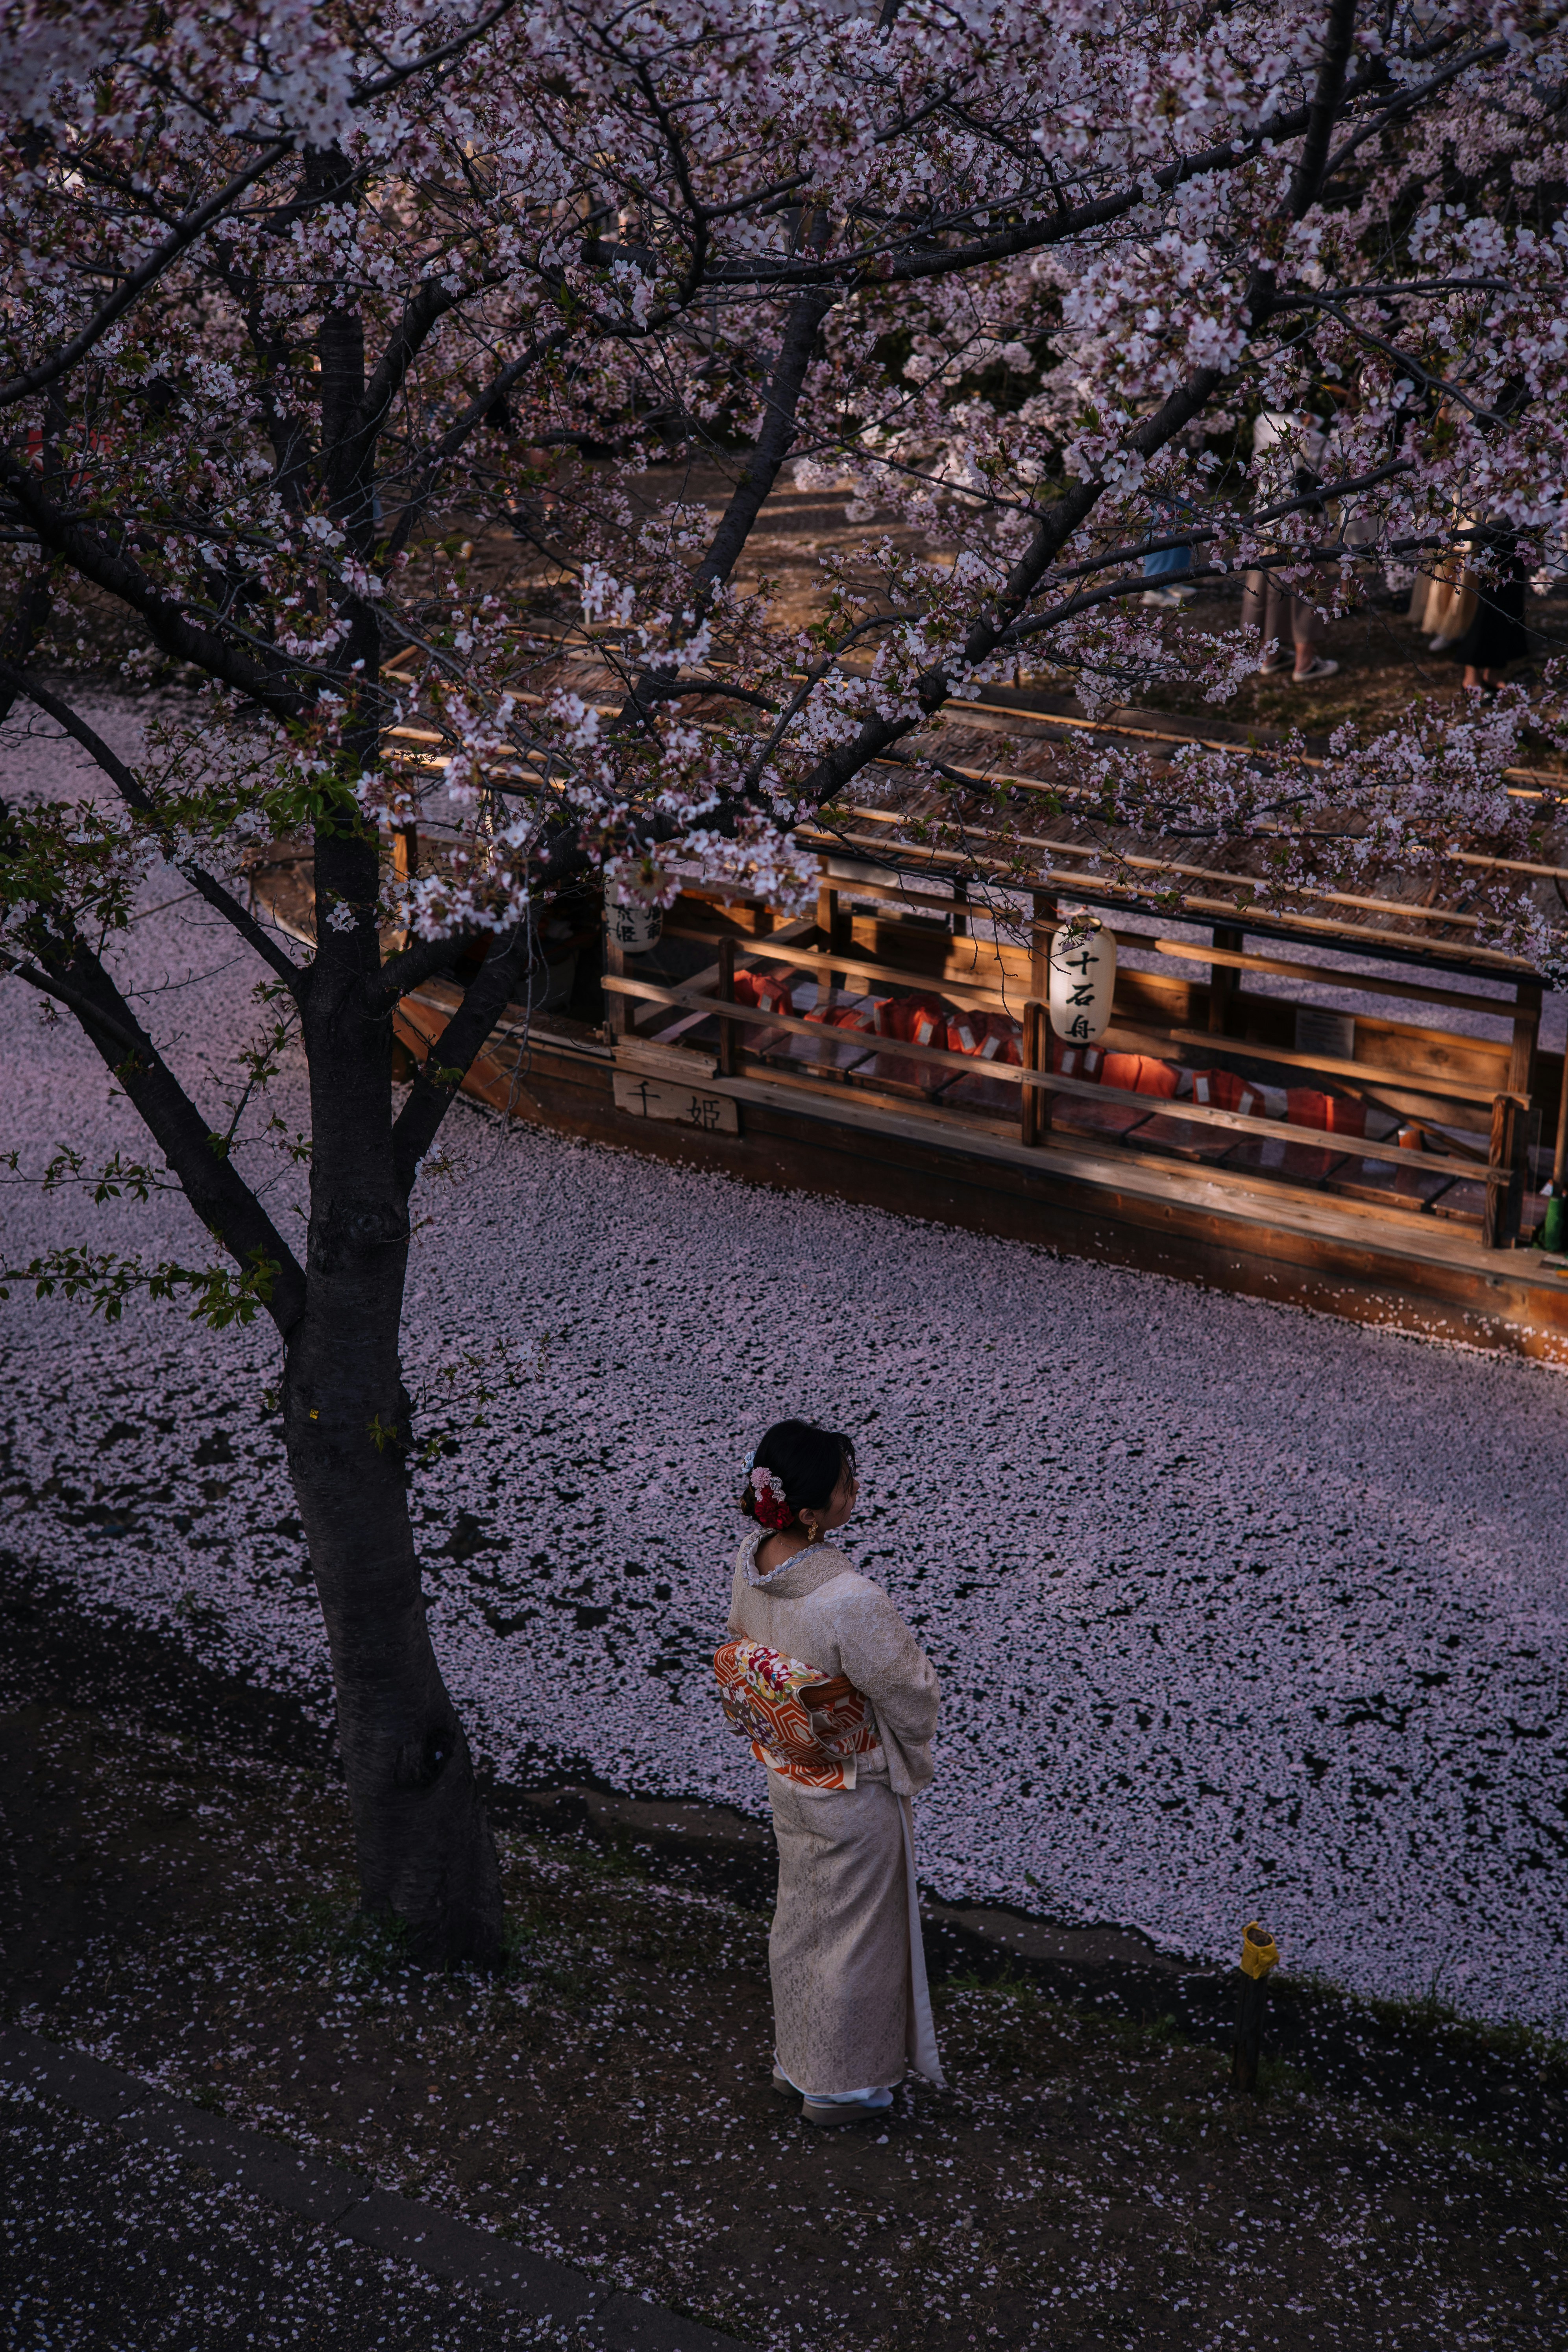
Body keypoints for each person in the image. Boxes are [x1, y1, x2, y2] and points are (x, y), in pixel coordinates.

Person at [715, 1420, 943, 2127]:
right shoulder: (850, 1599)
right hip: (853, 1782)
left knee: (802, 1923)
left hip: (788, 1769)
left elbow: (743, 1648)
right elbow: (911, 1693)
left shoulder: (751, 1566)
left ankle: (796, 2062)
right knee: (855, 1940)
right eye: (845, 1485)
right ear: (807, 1512)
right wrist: (904, 1748)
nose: (855, 1492)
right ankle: (841, 2088)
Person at [1243, 410, 1339, 684]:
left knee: (1264, 583)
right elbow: (1326, 457)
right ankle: (1304, 662)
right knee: (1307, 584)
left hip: (1265, 514)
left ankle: (1269, 656)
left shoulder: (1261, 421)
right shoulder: (1307, 436)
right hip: (1300, 516)